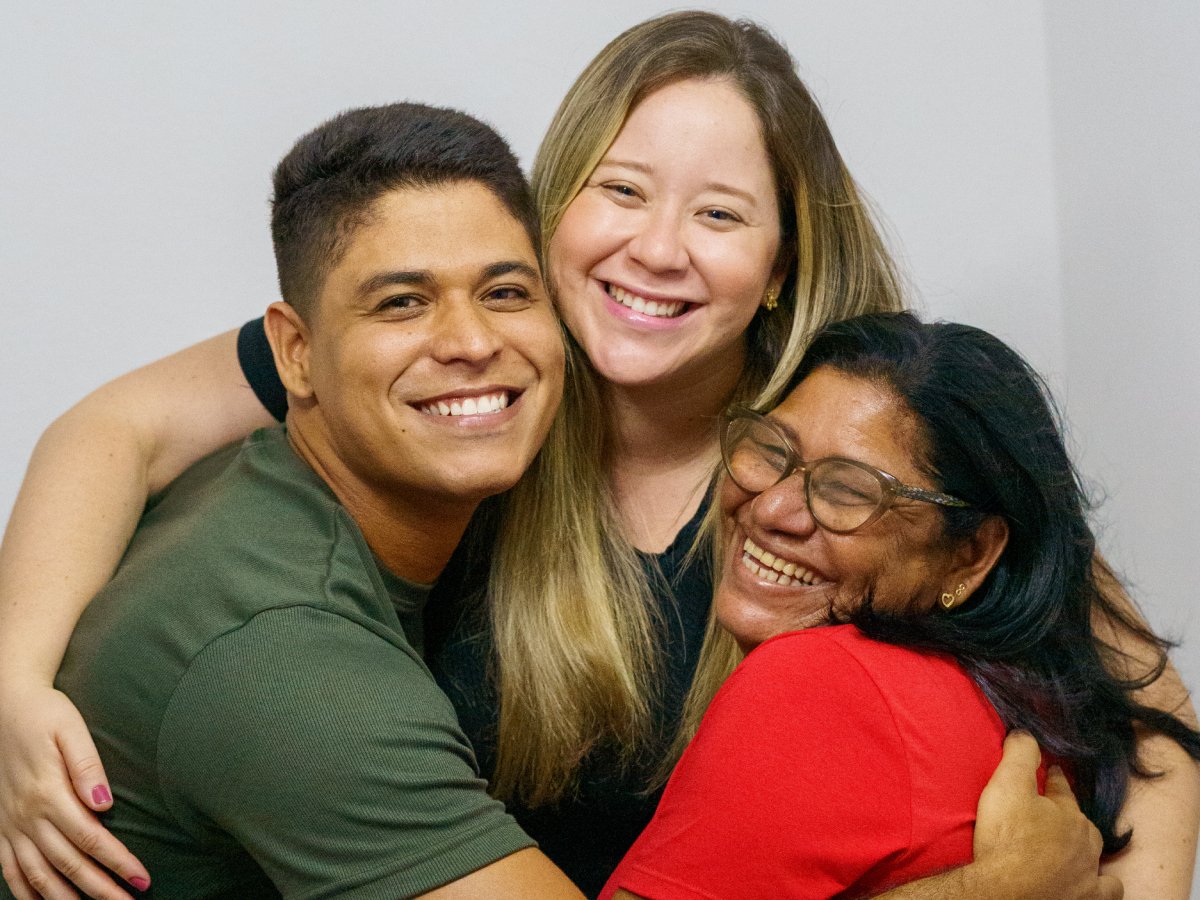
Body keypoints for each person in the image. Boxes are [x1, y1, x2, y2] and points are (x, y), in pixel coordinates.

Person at [0, 10, 1190, 899]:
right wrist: (11, 678)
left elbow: (1140, 699)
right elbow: (114, 429)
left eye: (720, 214)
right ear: (555, 206)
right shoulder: (473, 370)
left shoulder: (844, 455)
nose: (658, 250)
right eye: (621, 190)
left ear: (779, 264)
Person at [0, 101, 582, 899]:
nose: (472, 342)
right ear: (295, 354)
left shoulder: (260, 479)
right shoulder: (283, 659)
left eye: (507, 291)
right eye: (402, 303)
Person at [601, 313, 1200, 899]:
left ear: (970, 555)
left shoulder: (815, 684)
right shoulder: (1025, 709)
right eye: (771, 450)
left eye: (849, 490)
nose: (770, 509)